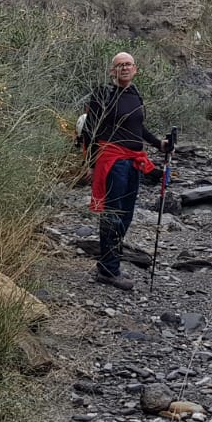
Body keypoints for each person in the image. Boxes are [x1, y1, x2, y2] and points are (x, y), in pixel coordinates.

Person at [83, 52, 169, 292]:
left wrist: (158, 144)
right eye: (120, 65)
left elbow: (137, 127)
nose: (124, 68)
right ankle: (109, 270)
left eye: (128, 64)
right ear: (112, 71)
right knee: (113, 214)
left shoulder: (134, 95)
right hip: (112, 162)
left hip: (132, 162)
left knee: (127, 214)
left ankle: (111, 263)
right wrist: (90, 163)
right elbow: (90, 130)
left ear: (135, 69)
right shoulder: (103, 94)